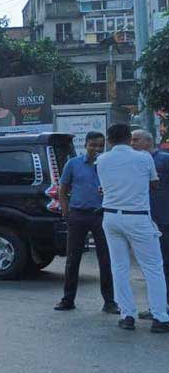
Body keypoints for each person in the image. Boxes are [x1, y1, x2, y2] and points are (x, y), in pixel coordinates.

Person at [96, 123, 169, 333]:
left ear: (109, 140)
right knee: (153, 267)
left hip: (111, 216)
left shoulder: (101, 160)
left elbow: (106, 187)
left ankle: (127, 316)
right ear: (129, 138)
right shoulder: (144, 158)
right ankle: (160, 317)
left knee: (119, 267)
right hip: (137, 217)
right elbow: (154, 184)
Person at [54, 132, 117, 313]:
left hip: (101, 216)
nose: (97, 149)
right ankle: (68, 300)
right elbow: (62, 189)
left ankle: (109, 302)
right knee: (73, 259)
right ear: (86, 145)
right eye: (93, 145)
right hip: (78, 215)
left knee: (106, 259)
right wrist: (66, 212)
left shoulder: (107, 164)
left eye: (100, 145)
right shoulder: (73, 164)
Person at [131, 129, 169, 319]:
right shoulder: (135, 162)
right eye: (131, 140)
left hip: (164, 220)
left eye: (136, 140)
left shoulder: (163, 160)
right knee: (151, 266)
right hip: (144, 220)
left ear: (148, 141)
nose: (132, 143)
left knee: (164, 263)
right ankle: (158, 306)